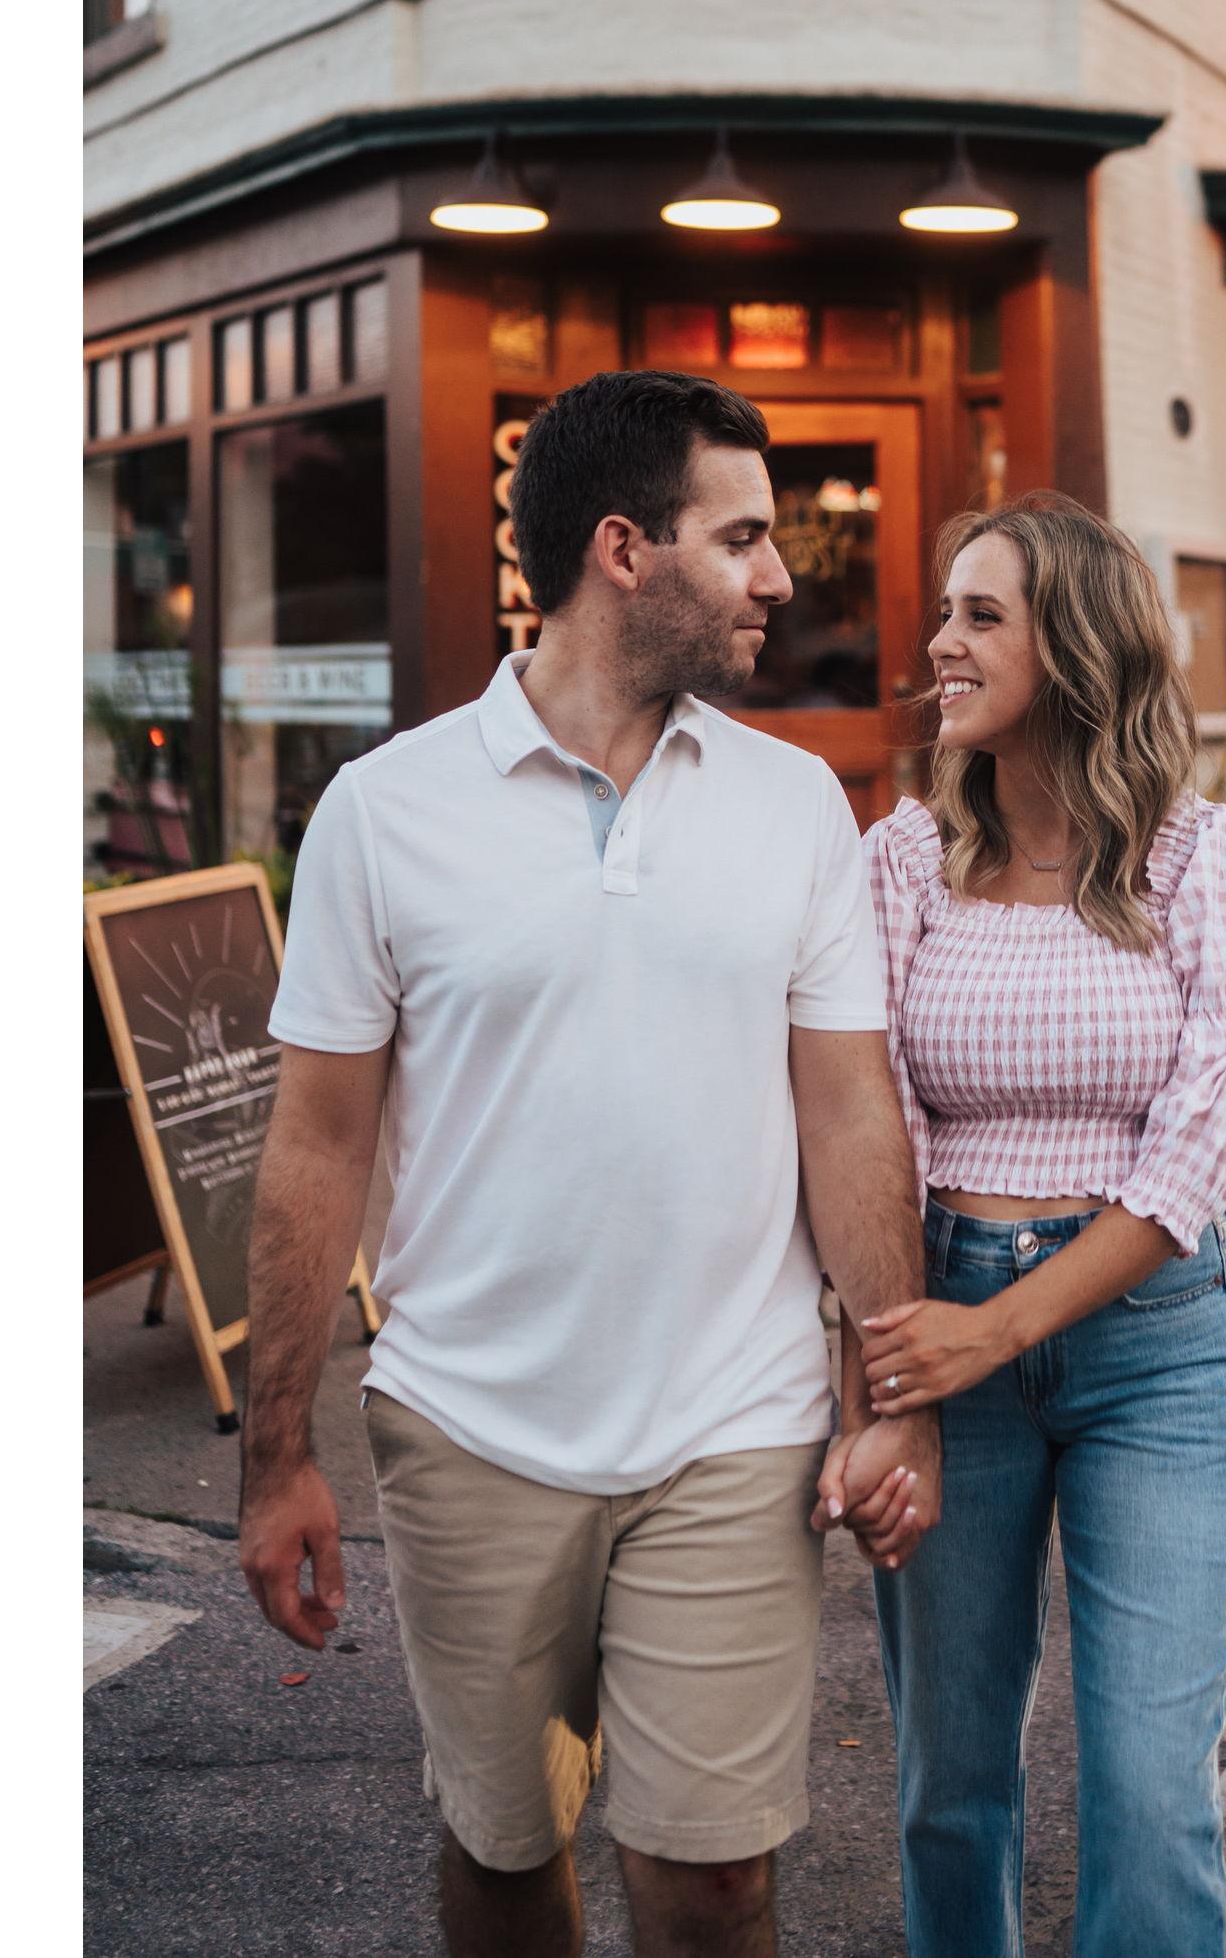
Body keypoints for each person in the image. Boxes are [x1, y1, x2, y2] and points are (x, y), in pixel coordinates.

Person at [236, 370, 941, 1958]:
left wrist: (889, 1400)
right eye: (742, 535)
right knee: (501, 1852)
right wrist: (272, 1448)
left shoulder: (794, 809)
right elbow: (316, 1141)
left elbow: (847, 1116)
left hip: (731, 1427)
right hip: (470, 1421)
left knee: (710, 1883)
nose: (779, 576)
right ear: (624, 548)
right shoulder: (382, 811)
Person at [851, 492, 1226, 1958]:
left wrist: (1005, 1325)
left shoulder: (1200, 858)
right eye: (943, 612)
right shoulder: (901, 863)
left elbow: (1206, 1137)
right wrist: (909, 1353)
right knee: (946, 1786)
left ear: (1078, 645)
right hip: (939, 1320)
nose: (940, 645)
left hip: (1153, 1349)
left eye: (980, 615)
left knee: (1151, 1793)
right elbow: (869, 1117)